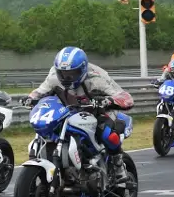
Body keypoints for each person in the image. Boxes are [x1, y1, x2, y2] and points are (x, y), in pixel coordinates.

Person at [23, 46, 135, 184]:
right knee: (50, 129)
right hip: (70, 111)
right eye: (62, 73)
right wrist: (30, 98)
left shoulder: (96, 78)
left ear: (82, 69)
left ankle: (118, 165)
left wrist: (108, 101)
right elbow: (40, 91)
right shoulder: (53, 77)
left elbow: (125, 97)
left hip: (98, 111)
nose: (66, 77)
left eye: (72, 73)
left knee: (107, 134)